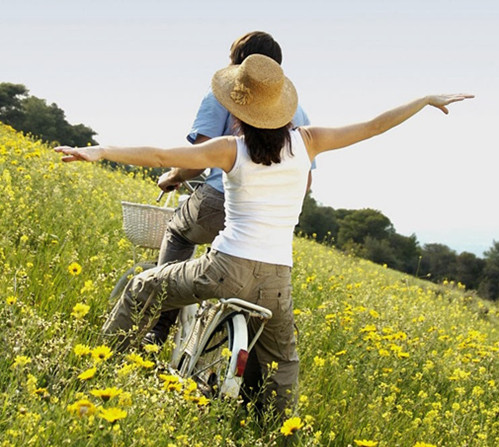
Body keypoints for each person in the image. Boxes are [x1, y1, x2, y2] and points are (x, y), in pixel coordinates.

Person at [55, 54, 473, 414]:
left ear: (238, 111)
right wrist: (424, 100)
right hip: (277, 280)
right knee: (283, 362)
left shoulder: (231, 149)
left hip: (224, 270)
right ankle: (274, 430)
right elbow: (375, 126)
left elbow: (164, 156)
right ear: (282, 108)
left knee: (141, 288)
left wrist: (101, 151)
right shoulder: (309, 141)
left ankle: (99, 371)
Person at [150, 31, 311, 346]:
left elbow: (198, 159)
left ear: (240, 63)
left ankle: (159, 324)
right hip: (267, 231)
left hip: (218, 204)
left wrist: (173, 176)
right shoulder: (296, 111)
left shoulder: (223, 94)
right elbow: (305, 182)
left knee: (179, 231)